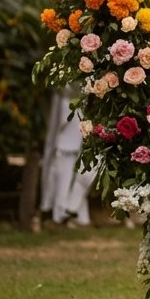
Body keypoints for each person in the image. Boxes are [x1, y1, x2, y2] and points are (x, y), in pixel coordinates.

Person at [40, 86, 95, 227]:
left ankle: (71, 211)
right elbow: (57, 122)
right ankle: (61, 213)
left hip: (85, 141)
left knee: (85, 176)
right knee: (62, 179)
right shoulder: (62, 92)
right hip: (65, 144)